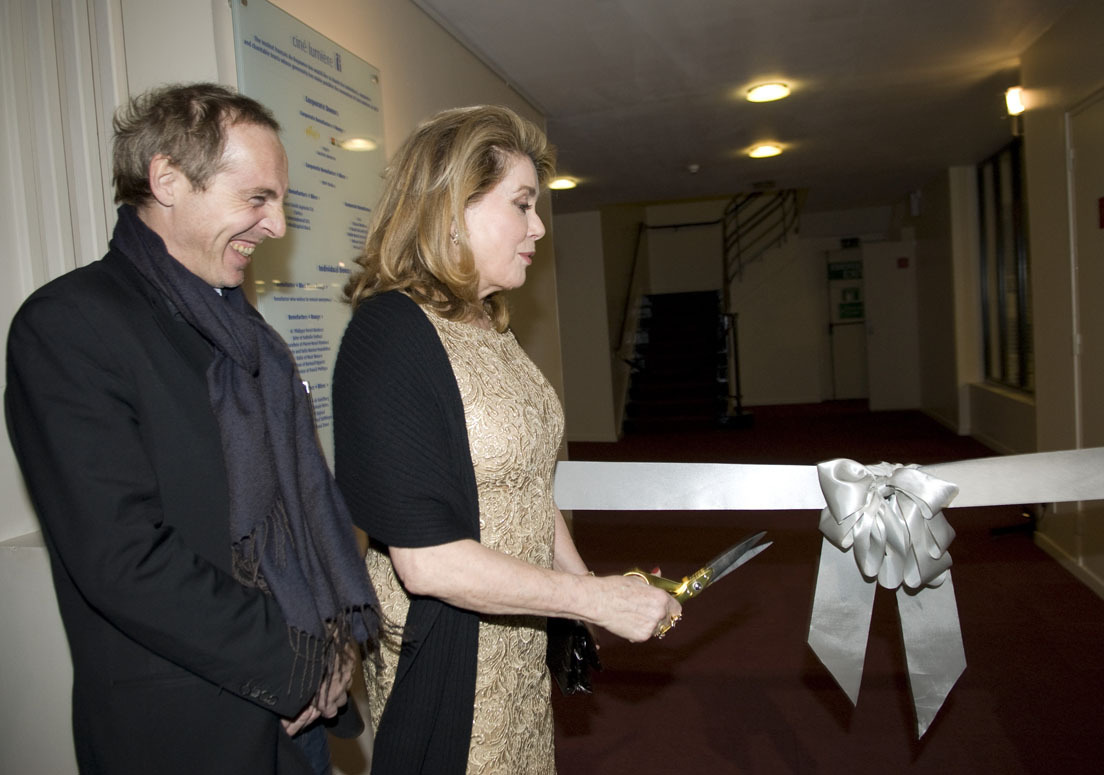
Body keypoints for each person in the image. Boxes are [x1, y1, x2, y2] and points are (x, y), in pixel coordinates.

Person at [5, 83, 379, 775]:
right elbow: (124, 560)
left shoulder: (248, 337)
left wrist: (335, 645)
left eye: (280, 202)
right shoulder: (69, 326)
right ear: (168, 180)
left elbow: (303, 524)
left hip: (300, 719)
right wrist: (301, 660)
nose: (276, 227)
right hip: (188, 730)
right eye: (257, 198)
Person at [332, 105, 681, 774]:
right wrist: (593, 599)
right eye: (522, 205)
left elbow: (526, 480)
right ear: (452, 207)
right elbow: (428, 563)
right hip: (450, 646)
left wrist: (587, 587)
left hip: (515, 625)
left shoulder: (489, 324)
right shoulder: (390, 335)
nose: (539, 227)